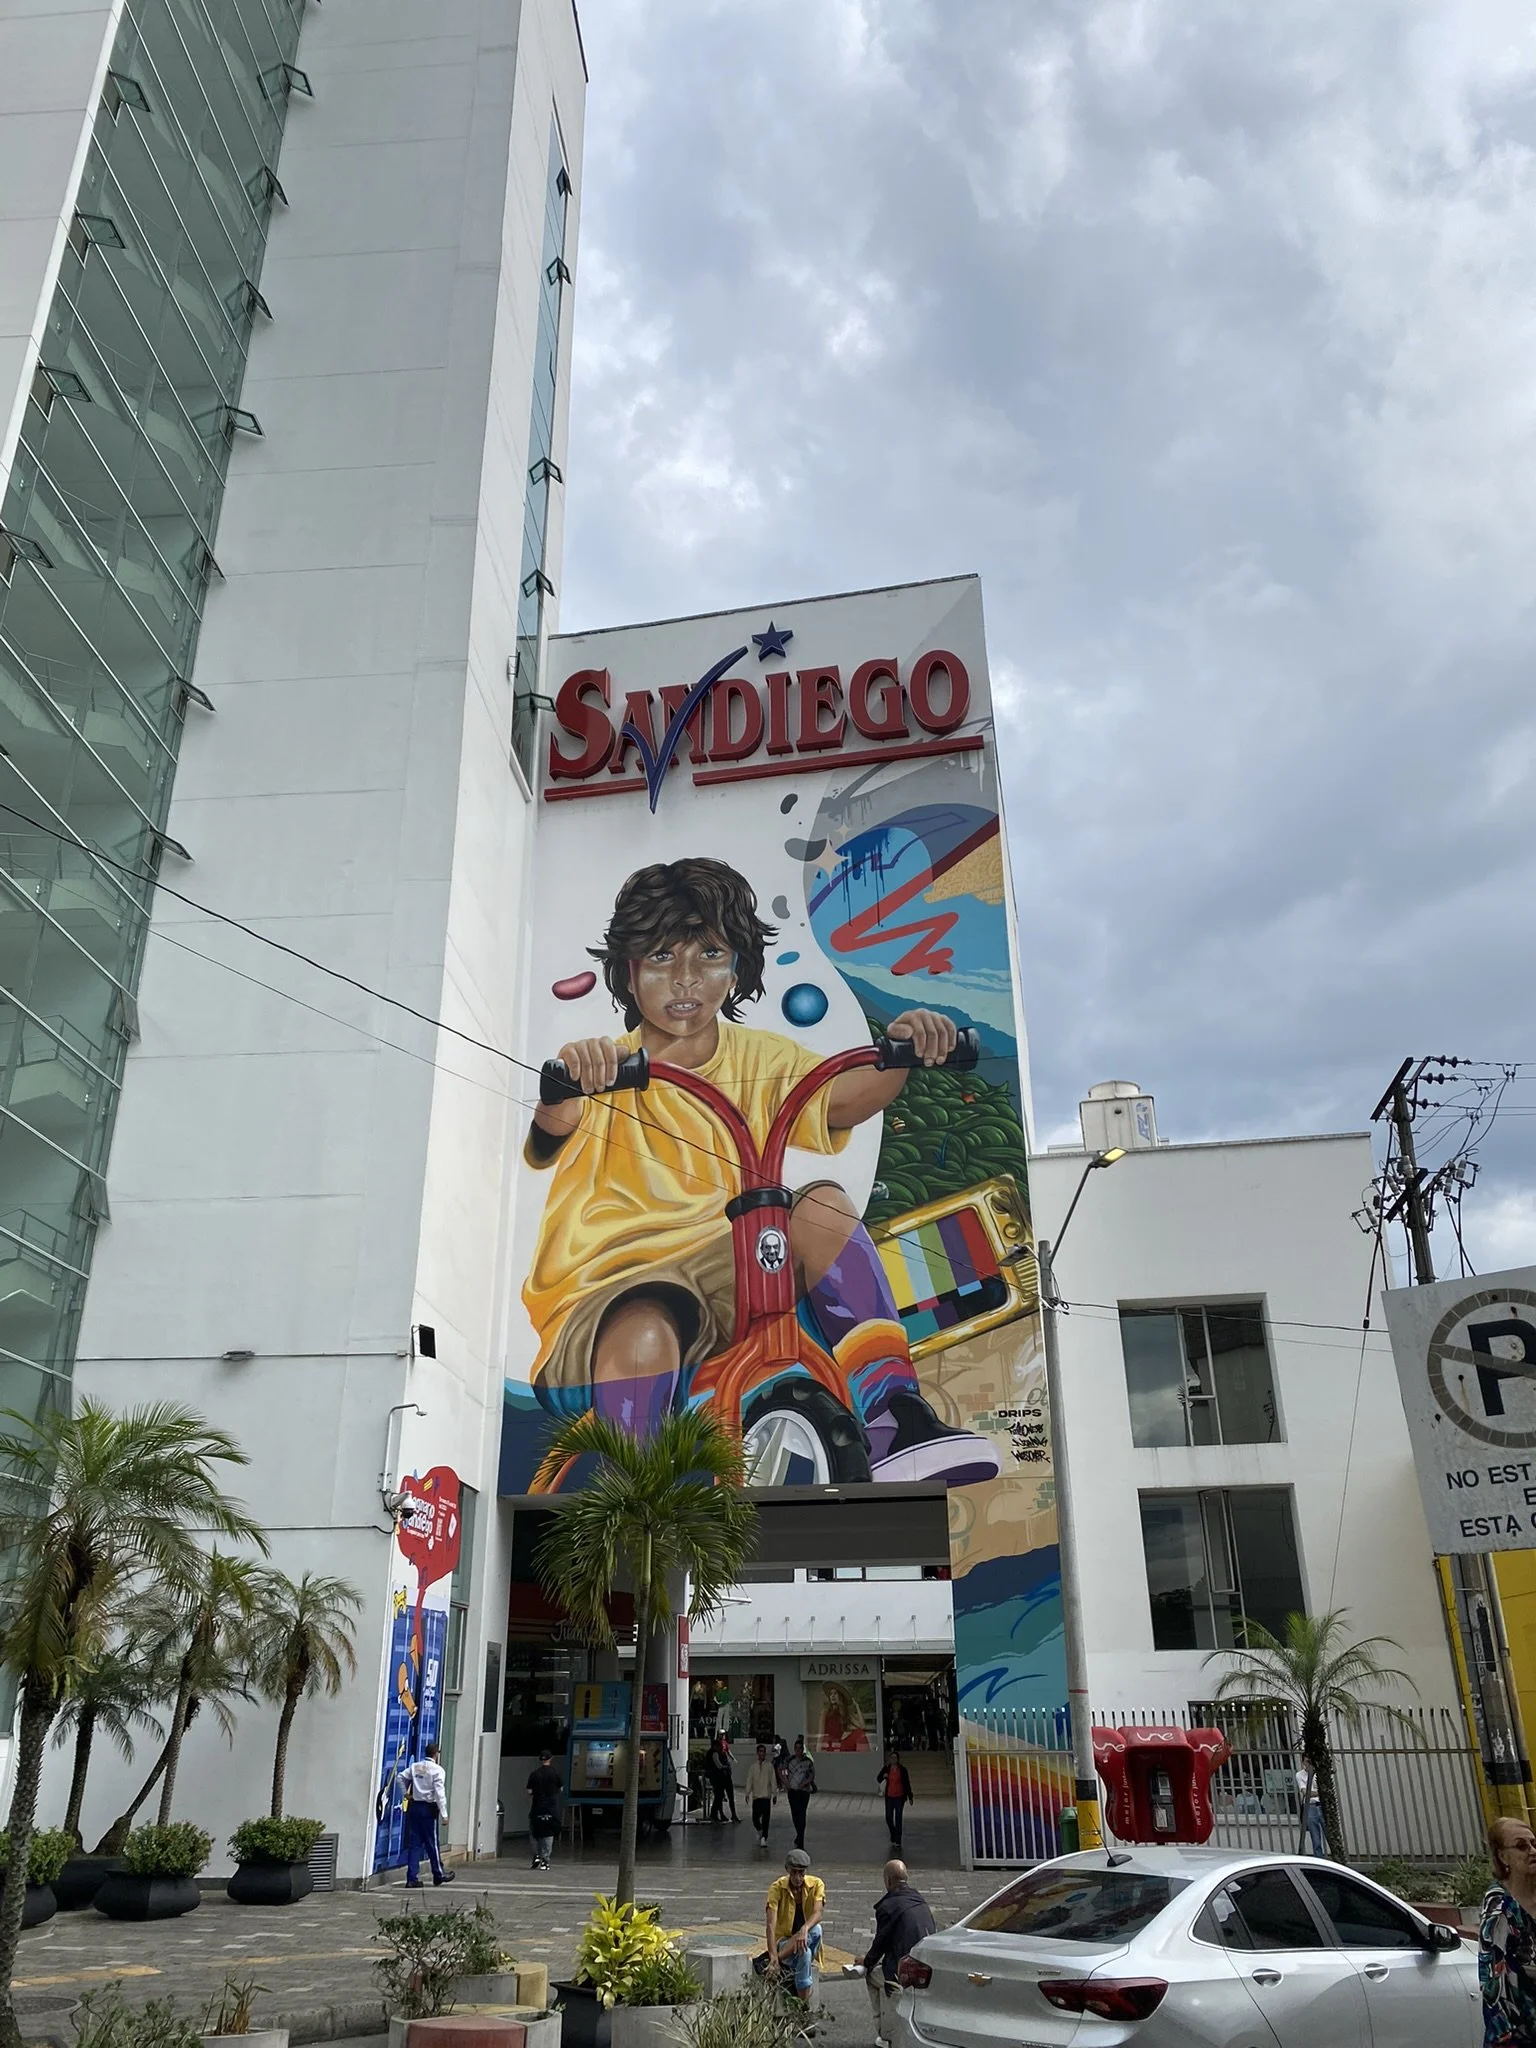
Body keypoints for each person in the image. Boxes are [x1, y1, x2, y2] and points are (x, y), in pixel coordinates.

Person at [522, 858, 999, 1486]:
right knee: (645, 1333)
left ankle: (895, 1417)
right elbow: (547, 1135)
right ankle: (639, 1486)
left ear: (737, 967)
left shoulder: (761, 1059)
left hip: (729, 1262)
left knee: (823, 1206)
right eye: (662, 957)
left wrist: (904, 1051)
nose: (686, 978)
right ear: (629, 972)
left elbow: (843, 1098)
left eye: (710, 954)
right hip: (607, 1283)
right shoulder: (604, 1064)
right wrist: (570, 1084)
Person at [861, 1860, 936, 2048]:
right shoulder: (919, 1898)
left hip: (903, 1971)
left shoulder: (888, 1907)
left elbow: (880, 1944)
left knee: (872, 1976)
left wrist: (866, 1962)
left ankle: (885, 2033)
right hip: (927, 1966)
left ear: (887, 1880)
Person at [1481, 1816, 1536, 2046]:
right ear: (1503, 1857)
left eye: (1534, 1843)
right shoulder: (1499, 1908)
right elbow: (1493, 1984)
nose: (1532, 1851)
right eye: (1522, 1846)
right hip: (1521, 2033)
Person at [765, 1848, 824, 2007]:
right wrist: (772, 1953)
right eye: (794, 1872)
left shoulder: (816, 1884)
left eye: (801, 1873)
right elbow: (770, 1925)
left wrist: (804, 1930)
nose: (798, 1878)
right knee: (805, 1954)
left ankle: (780, 1959)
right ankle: (802, 2008)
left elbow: (818, 1913)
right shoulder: (776, 1888)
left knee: (817, 1930)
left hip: (807, 1938)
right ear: (787, 1870)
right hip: (785, 1942)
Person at [404, 1741, 454, 1888]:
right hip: (429, 1808)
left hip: (415, 1806)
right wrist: (444, 1814)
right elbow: (440, 1794)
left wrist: (405, 1793)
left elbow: (401, 1777)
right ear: (436, 1754)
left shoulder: (415, 1767)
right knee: (432, 1843)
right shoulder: (438, 1770)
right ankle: (438, 1874)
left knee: (414, 1844)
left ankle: (411, 1878)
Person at [526, 1747, 563, 1871]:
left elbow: (529, 1791)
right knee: (548, 1834)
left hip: (537, 1807)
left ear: (540, 1760)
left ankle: (536, 1855)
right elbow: (560, 1788)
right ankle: (545, 1860)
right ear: (551, 1759)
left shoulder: (535, 1774)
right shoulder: (555, 1773)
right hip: (551, 1808)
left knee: (534, 1832)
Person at [783, 1735, 817, 1850]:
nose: (798, 1751)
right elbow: (782, 1770)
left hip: (803, 1792)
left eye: (800, 1748)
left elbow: (812, 1775)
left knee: (802, 1814)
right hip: (792, 1791)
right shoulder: (789, 1760)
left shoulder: (808, 1761)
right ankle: (799, 1834)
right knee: (795, 1814)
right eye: (796, 1748)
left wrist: (805, 1783)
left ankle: (800, 1838)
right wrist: (786, 1782)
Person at [745, 1740, 779, 1847]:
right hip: (756, 1796)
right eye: (760, 1751)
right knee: (755, 1818)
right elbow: (749, 1780)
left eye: (763, 1751)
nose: (762, 1753)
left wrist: (774, 1794)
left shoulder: (769, 1766)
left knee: (766, 1819)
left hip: (766, 1796)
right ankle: (760, 1830)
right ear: (757, 1753)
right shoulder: (753, 1767)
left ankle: (764, 1837)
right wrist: (747, 1793)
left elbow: (773, 1780)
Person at [878, 1748, 912, 1850]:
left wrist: (910, 1796)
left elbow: (907, 1783)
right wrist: (884, 1776)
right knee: (888, 1817)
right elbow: (878, 1778)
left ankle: (898, 1839)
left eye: (895, 1758)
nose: (893, 1759)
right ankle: (893, 1833)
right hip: (889, 1797)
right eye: (891, 1758)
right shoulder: (886, 1769)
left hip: (899, 1797)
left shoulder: (902, 1770)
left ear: (897, 1759)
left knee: (898, 1818)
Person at [1295, 1753, 1325, 1857]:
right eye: (1307, 1761)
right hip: (1310, 1806)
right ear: (1303, 1762)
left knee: (1330, 1835)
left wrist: (1315, 1793)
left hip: (1321, 1805)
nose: (1309, 1764)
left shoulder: (1319, 1774)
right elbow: (1305, 1792)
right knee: (1316, 1839)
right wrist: (1319, 1792)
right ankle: (1319, 1859)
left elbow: (1325, 1790)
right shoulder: (1300, 1775)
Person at [707, 1733, 739, 1824]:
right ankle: (718, 1814)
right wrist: (726, 1767)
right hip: (719, 1778)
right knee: (720, 1796)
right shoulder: (714, 1753)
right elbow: (719, 1766)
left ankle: (724, 1815)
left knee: (722, 1796)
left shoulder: (720, 1753)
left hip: (723, 1777)